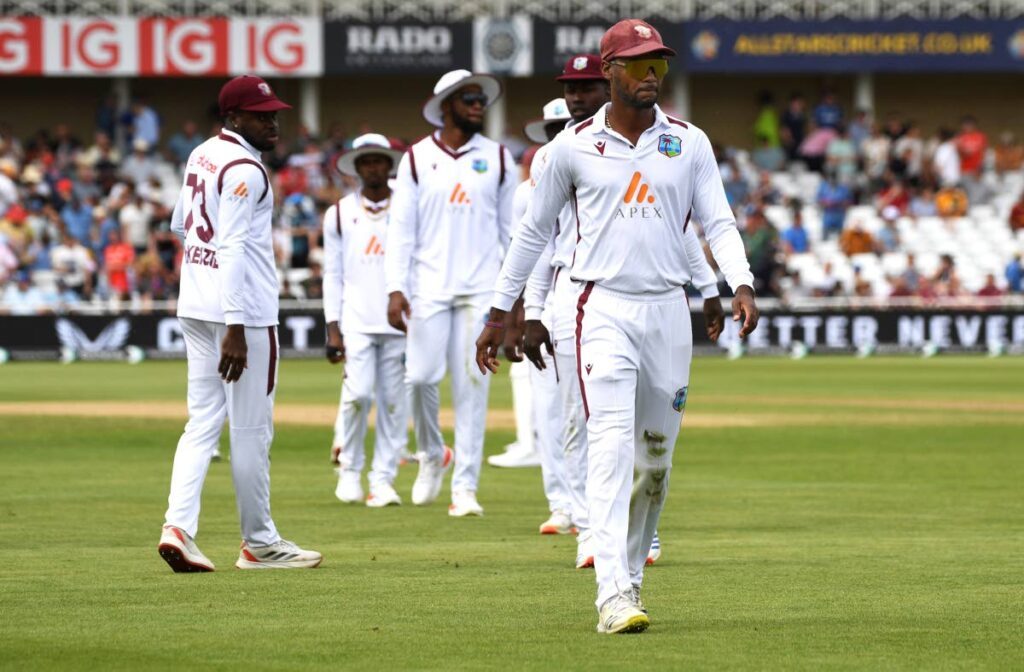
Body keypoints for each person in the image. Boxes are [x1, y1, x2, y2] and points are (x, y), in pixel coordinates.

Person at [475, 20, 755, 634]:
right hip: (598, 306)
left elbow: (718, 221)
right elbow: (532, 235)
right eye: (637, 63)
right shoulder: (569, 148)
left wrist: (739, 281)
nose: (650, 73)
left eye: (658, 62)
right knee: (609, 444)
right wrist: (501, 312)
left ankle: (631, 575)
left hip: (667, 311)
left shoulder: (690, 142)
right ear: (610, 71)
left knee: (655, 460)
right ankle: (612, 594)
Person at [159, 75, 321, 572]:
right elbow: (229, 244)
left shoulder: (203, 153)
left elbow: (181, 225)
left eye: (273, 112)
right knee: (251, 429)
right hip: (242, 316)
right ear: (233, 117)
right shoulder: (247, 169)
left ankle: (178, 527)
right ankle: (260, 543)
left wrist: (206, 285)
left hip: (195, 304)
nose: (272, 121)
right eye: (260, 114)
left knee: (202, 421)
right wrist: (235, 323)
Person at [384, 69, 515, 517]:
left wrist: (511, 302)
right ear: (445, 106)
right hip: (428, 286)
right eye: (469, 98)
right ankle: (433, 452)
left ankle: (466, 489)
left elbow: (511, 233)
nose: (478, 104)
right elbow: (400, 230)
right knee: (419, 378)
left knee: (472, 388)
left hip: (482, 289)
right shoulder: (417, 158)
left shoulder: (498, 157)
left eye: (481, 98)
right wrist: (395, 288)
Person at [323, 133, 408, 507]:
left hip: (398, 322)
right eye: (366, 162)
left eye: (379, 161)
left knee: (392, 402)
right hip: (356, 320)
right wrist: (332, 327)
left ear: (389, 166)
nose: (373, 167)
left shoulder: (407, 206)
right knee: (357, 397)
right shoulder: (339, 212)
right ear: (356, 168)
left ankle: (384, 478)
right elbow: (332, 273)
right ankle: (350, 470)